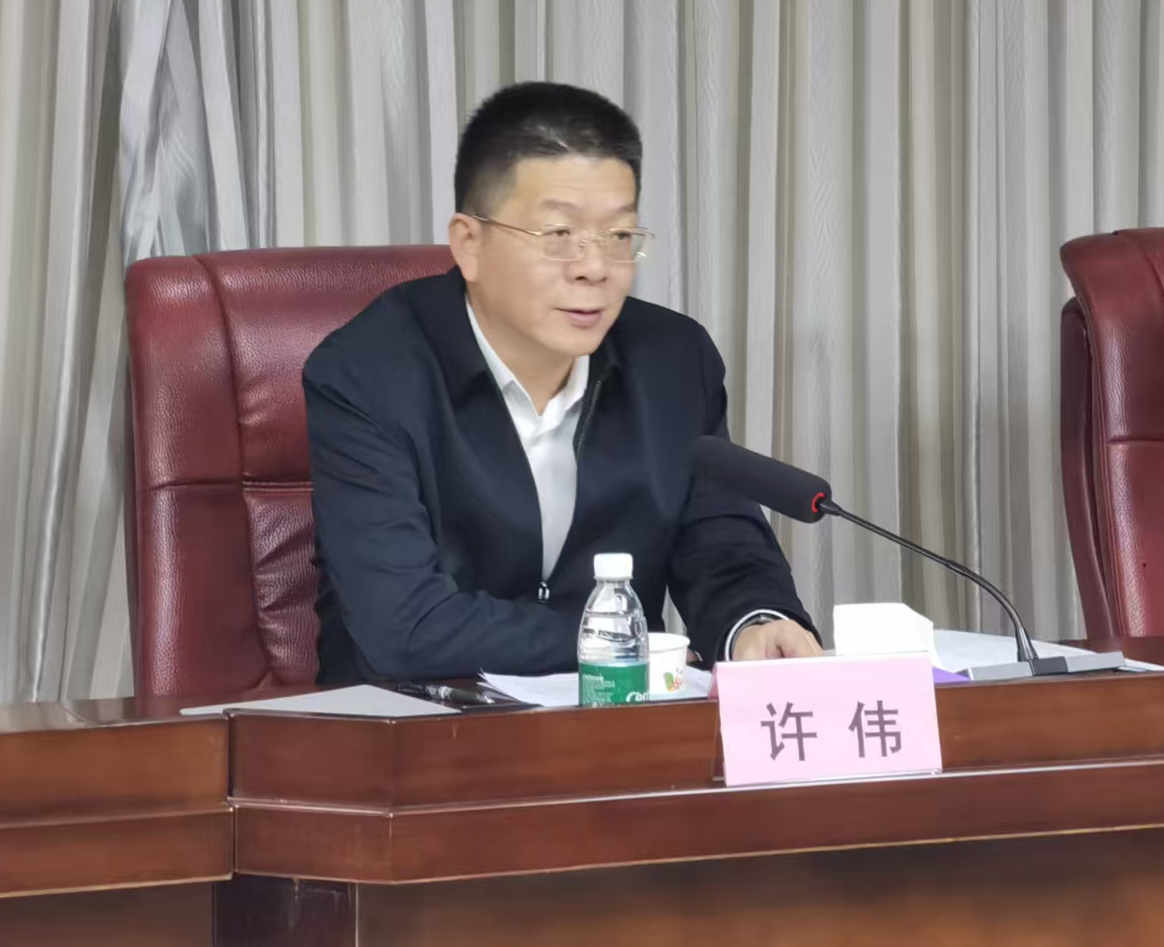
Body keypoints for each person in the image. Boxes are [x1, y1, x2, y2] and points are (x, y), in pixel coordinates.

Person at [304, 82, 820, 684]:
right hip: (413, 722)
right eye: (557, 236)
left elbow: (721, 543)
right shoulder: (368, 374)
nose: (594, 268)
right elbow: (407, 628)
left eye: (619, 237)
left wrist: (755, 624)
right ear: (469, 244)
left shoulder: (675, 362)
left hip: (612, 720)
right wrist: (625, 642)